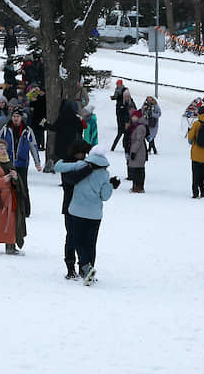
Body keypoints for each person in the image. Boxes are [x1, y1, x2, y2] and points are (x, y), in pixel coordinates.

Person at [63, 146, 119, 285]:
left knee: (78, 240)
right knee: (91, 243)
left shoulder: (80, 170)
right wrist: (111, 185)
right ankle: (89, 270)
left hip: (76, 211)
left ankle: (85, 266)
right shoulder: (105, 174)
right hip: (94, 215)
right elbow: (105, 196)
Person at [54, 140, 96, 279]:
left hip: (84, 206)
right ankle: (71, 267)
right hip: (70, 206)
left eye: (85, 153)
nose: (83, 156)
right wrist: (87, 169)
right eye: (81, 153)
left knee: (83, 239)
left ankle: (84, 267)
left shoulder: (84, 164)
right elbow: (71, 180)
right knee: (72, 237)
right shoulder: (68, 165)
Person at [0, 110, 41, 214]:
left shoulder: (27, 131)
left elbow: (33, 146)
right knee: (7, 186)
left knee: (22, 186)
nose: (15, 118)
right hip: (8, 162)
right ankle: (6, 207)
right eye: (13, 116)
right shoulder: (5, 129)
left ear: (21, 118)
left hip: (22, 163)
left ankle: (25, 210)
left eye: (17, 116)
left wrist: (37, 163)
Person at [126, 109, 148, 193]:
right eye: (132, 117)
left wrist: (134, 151)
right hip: (135, 150)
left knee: (139, 170)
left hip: (139, 151)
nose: (133, 118)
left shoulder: (140, 127)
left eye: (135, 117)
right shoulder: (134, 126)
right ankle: (136, 185)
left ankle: (139, 186)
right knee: (136, 169)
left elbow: (139, 140)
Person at [109, 84, 134, 151]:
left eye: (128, 96)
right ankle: (113, 148)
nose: (127, 97)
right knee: (119, 134)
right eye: (126, 96)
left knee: (127, 135)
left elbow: (134, 110)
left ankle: (125, 147)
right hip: (121, 121)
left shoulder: (131, 101)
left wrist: (129, 120)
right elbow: (119, 113)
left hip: (128, 121)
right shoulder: (120, 102)